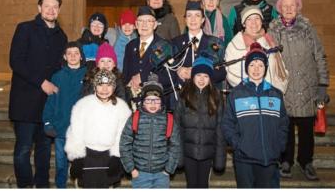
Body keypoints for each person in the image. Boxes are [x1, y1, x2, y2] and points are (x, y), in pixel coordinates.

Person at [9, 0, 68, 187]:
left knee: (44, 150)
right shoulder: (25, 29)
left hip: (47, 104)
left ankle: (42, 185)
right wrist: (42, 82)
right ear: (39, 8)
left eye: (55, 7)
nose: (51, 10)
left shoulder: (62, 36)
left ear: (59, 10)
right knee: (23, 150)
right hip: (25, 101)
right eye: (47, 6)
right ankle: (25, 185)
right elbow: (16, 61)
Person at [269, 0, 329, 181]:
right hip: (284, 88)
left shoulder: (308, 29)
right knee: (285, 128)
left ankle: (306, 161)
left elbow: (319, 56)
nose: (288, 8)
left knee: (305, 129)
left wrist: (323, 84)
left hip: (306, 87)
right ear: (279, 9)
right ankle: (286, 161)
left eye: (292, 5)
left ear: (297, 8)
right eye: (284, 5)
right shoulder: (273, 30)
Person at [222, 42, 289, 188]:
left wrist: (279, 146)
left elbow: (283, 124)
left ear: (265, 68)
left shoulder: (276, 94)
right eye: (252, 65)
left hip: (269, 158)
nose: (256, 69)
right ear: (247, 68)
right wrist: (238, 145)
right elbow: (227, 124)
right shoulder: (236, 94)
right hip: (244, 159)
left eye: (260, 65)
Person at [65, 70, 131, 188]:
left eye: (108, 85)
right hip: (87, 155)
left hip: (109, 156)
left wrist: (117, 157)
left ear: (114, 87)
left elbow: (124, 135)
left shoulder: (122, 107)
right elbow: (75, 132)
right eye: (100, 85)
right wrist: (76, 157)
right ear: (95, 86)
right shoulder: (83, 105)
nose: (104, 89)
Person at [119, 75, 182, 188]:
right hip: (140, 174)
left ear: (161, 102)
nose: (153, 104)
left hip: (162, 175)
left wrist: (168, 170)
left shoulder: (169, 120)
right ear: (143, 102)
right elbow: (125, 144)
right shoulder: (134, 118)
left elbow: (175, 146)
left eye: (156, 100)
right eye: (148, 100)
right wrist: (131, 169)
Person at [175, 56, 226, 187]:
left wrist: (219, 158)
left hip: (207, 153)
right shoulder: (184, 96)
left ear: (210, 79)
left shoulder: (216, 97)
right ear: (192, 77)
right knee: (191, 185)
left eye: (206, 76)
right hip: (188, 152)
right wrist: (178, 155)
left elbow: (220, 129)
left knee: (203, 185)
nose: (202, 79)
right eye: (198, 75)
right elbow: (177, 128)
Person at [42, 42, 87, 188]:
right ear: (65, 57)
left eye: (76, 53)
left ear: (81, 56)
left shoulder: (88, 76)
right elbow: (50, 101)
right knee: (61, 164)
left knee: (81, 165)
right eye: (69, 53)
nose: (73, 56)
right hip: (61, 128)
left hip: (81, 130)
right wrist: (47, 122)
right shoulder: (57, 76)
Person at [168, 0, 226, 99]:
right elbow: (168, 70)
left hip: (208, 98)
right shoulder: (175, 43)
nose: (193, 19)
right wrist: (178, 71)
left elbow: (221, 73)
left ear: (203, 19)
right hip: (183, 98)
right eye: (189, 15)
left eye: (197, 15)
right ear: (185, 20)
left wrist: (198, 72)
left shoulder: (215, 43)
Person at [224, 6, 288, 93]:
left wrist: (277, 91)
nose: (254, 23)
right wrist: (253, 91)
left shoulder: (270, 42)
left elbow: (281, 70)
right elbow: (231, 74)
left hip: (271, 98)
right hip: (247, 97)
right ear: (243, 24)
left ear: (261, 22)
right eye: (249, 19)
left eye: (257, 18)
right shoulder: (235, 45)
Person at [122, 6, 172, 110]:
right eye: (141, 21)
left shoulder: (164, 46)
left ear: (154, 25)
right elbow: (125, 75)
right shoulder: (130, 46)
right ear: (136, 24)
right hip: (134, 104)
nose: (144, 24)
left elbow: (170, 78)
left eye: (149, 21)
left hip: (157, 105)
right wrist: (130, 84)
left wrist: (143, 77)